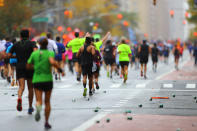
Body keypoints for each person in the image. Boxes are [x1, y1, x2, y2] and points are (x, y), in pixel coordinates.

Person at [27, 37, 64, 129]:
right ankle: (46, 122)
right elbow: (52, 61)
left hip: (37, 80)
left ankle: (38, 106)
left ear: (38, 44)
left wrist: (34, 68)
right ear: (47, 44)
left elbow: (28, 65)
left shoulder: (34, 54)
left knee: (39, 100)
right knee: (47, 102)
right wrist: (60, 69)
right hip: (47, 80)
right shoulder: (50, 53)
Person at [8, 29, 37, 113]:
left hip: (19, 66)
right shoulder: (32, 43)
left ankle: (19, 98)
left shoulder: (16, 44)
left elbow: (9, 55)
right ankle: (30, 107)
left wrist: (17, 57)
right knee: (31, 87)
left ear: (20, 36)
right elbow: (35, 52)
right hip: (30, 66)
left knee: (21, 86)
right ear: (28, 35)